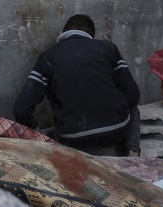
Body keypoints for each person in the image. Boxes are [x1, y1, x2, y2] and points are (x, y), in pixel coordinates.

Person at [13, 14, 141, 156]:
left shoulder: (48, 57)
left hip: (73, 136)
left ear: (61, 33)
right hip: (116, 131)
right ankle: (132, 152)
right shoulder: (109, 49)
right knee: (133, 109)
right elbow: (133, 96)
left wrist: (35, 131)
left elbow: (21, 108)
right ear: (92, 36)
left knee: (53, 130)